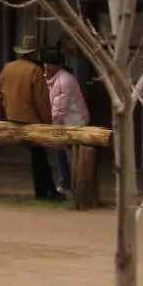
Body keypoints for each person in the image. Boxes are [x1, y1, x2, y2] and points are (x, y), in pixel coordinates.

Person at [0, 35, 64, 201]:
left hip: (12, 116)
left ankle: (47, 191)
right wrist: (47, 122)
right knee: (40, 157)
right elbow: (41, 100)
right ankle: (45, 192)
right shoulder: (35, 70)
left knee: (38, 156)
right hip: (31, 120)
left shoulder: (8, 67)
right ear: (34, 53)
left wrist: (8, 106)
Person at [43, 49, 90, 194]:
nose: (46, 67)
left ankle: (75, 185)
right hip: (65, 121)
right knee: (61, 153)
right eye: (45, 64)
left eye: (50, 64)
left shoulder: (64, 81)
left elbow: (59, 107)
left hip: (74, 121)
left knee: (72, 155)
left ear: (58, 66)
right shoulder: (52, 79)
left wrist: (55, 126)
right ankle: (66, 183)